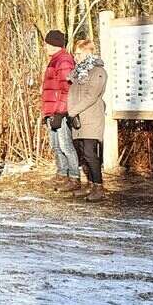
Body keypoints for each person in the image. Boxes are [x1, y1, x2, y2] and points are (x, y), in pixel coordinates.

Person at [66, 38, 108, 202]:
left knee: (90, 152)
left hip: (91, 117)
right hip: (79, 117)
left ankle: (99, 186)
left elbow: (91, 96)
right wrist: (71, 112)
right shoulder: (79, 72)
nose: (75, 57)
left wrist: (72, 111)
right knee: (83, 152)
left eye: (78, 54)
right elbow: (73, 94)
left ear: (87, 53)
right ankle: (90, 183)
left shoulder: (97, 71)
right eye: (75, 54)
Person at [41, 29, 80, 191]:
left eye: (46, 44)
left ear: (53, 44)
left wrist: (60, 112)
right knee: (56, 146)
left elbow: (67, 89)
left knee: (66, 146)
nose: (45, 47)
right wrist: (48, 112)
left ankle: (74, 178)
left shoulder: (63, 61)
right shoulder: (55, 60)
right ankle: (62, 174)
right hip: (52, 110)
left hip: (60, 112)